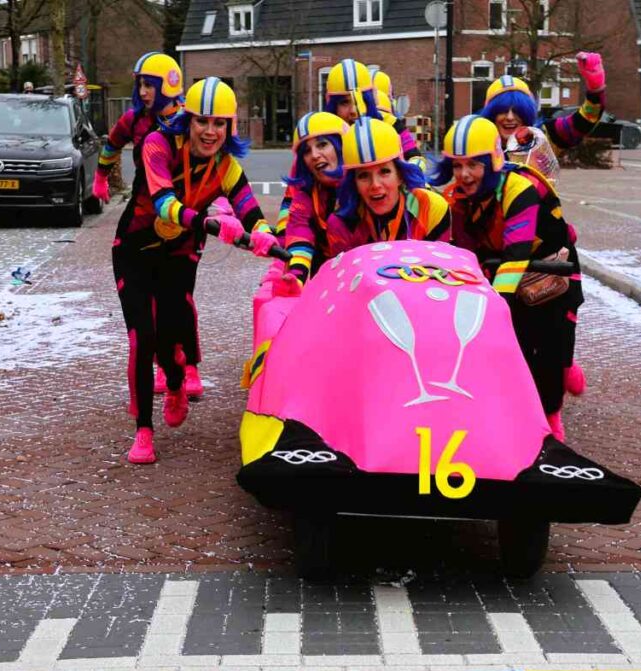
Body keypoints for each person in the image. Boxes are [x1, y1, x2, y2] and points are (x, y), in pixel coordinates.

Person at [113, 76, 277, 464]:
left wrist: (264, 235)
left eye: (219, 123)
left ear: (229, 127)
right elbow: (164, 203)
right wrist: (210, 223)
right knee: (141, 338)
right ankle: (143, 430)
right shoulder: (158, 144)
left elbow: (251, 211)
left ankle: (175, 383)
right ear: (188, 119)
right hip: (134, 251)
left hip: (178, 255)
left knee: (171, 334)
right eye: (202, 120)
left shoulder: (227, 167)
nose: (210, 131)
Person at [431, 115, 585, 441]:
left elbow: (515, 256)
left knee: (550, 342)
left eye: (474, 164)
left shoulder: (520, 190)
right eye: (457, 165)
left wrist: (489, 312)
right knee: (514, 343)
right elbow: (457, 254)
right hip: (505, 275)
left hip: (552, 274)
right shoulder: (455, 199)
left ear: (492, 161)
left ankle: (552, 416)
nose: (464, 174)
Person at [94, 53, 193, 397]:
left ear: (168, 85)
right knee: (147, 302)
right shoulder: (134, 119)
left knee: (180, 297)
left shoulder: (187, 120)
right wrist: (101, 177)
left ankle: (188, 364)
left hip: (182, 218)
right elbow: (111, 145)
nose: (143, 92)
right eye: (140, 85)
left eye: (150, 85)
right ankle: (163, 365)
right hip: (144, 214)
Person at [326, 117, 450, 255]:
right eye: (363, 176)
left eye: (384, 171)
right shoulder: (341, 224)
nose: (375, 185)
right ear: (354, 183)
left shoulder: (431, 209)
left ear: (400, 175)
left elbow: (442, 265)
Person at [479, 53, 606, 158]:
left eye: (518, 111)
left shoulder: (542, 138)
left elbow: (584, 121)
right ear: (491, 115)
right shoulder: (477, 145)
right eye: (502, 111)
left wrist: (595, 89)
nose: (510, 117)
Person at [276, 112, 348, 293]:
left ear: (341, 145)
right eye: (307, 151)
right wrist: (296, 277)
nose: (314, 155)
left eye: (322, 144)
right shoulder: (306, 196)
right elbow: (299, 235)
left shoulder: (362, 183)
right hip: (325, 281)